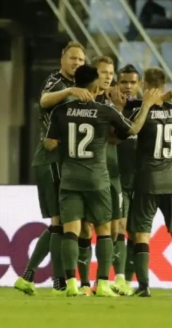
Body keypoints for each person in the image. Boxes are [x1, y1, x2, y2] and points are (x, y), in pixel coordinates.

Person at [44, 65, 160, 297]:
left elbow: (49, 144)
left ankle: (71, 284)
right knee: (104, 231)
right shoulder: (104, 111)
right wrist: (146, 105)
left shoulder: (61, 111)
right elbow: (133, 129)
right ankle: (104, 284)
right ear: (95, 83)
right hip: (97, 179)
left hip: (70, 178)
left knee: (71, 231)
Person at [14, 42, 90, 296]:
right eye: (73, 58)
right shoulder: (56, 81)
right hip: (50, 158)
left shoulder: (80, 87)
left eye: (81, 59)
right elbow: (44, 100)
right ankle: (38, 277)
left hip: (62, 159)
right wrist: (70, 90)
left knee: (60, 223)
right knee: (60, 222)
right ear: (62, 59)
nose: (77, 63)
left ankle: (44, 279)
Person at [126, 67, 172, 298]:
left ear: (144, 85)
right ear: (164, 86)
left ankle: (144, 286)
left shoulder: (139, 110)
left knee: (141, 234)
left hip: (146, 182)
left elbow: (130, 127)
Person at [74, 56, 124, 296]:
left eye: (111, 73)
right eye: (104, 72)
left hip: (112, 174)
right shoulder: (84, 101)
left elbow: (122, 135)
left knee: (114, 229)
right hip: (89, 173)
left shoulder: (115, 102)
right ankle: (85, 282)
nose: (108, 77)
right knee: (85, 229)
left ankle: (104, 280)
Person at [111, 64, 141, 294]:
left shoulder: (145, 110)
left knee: (137, 231)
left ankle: (129, 280)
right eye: (124, 82)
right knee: (118, 227)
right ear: (117, 84)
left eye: (132, 82)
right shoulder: (110, 110)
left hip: (142, 180)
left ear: (140, 84)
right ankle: (119, 278)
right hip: (117, 178)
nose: (128, 86)